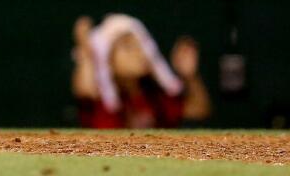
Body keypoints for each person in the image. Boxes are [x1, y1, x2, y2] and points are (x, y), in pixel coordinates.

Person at [72, 14, 211, 128]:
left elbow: (199, 110)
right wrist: (87, 51)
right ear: (109, 59)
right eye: (128, 47)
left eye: (141, 46)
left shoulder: (154, 95)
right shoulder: (100, 97)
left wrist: (190, 77)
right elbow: (85, 89)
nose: (140, 53)